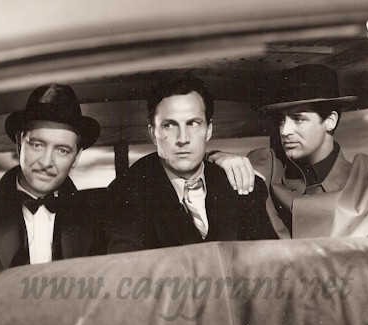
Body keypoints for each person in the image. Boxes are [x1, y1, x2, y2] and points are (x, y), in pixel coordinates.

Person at [208, 64, 368, 238]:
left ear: (330, 121)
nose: (285, 130)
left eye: (298, 119)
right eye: (281, 120)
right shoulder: (268, 165)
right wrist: (218, 157)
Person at [0, 83, 106, 288]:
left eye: (62, 150)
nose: (46, 162)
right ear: (19, 143)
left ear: (76, 157)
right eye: (37, 145)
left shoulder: (97, 217)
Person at [105, 75, 276, 253]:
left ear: (208, 130)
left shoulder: (240, 183)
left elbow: (270, 260)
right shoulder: (125, 192)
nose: (183, 139)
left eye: (193, 123)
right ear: (153, 134)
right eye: (169, 125)